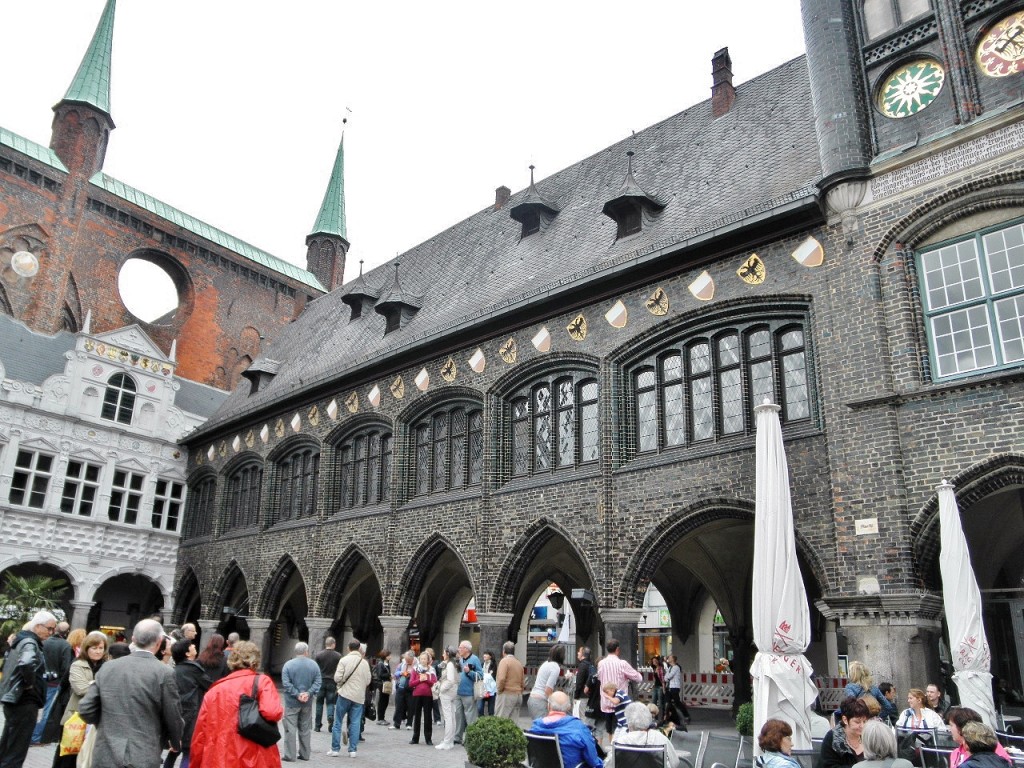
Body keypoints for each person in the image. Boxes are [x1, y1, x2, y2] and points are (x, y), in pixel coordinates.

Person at [78, 618, 184, 768]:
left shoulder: (108, 667)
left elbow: (86, 708)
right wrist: (175, 740)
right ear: (159, 642)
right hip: (142, 753)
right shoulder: (164, 672)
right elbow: (172, 713)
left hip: (106, 751)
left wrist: (106, 724)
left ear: (133, 639)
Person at [189, 641, 282, 768]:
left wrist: (195, 763)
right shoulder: (262, 681)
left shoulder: (214, 690)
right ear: (255, 661)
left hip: (219, 758)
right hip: (254, 756)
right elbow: (272, 712)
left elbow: (200, 734)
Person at [0, 610, 58, 768]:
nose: (52, 632)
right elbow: (26, 663)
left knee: (10, 745)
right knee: (16, 749)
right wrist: (30, 683)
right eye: (50, 628)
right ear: (38, 626)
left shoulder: (23, 640)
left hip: (16, 700)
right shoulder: (29, 642)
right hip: (24, 702)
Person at [53, 630, 108, 768]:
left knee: (88, 756)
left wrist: (93, 685)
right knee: (68, 755)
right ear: (86, 648)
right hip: (76, 717)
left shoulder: (107, 666)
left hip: (96, 719)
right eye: (94, 648)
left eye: (101, 648)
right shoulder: (78, 664)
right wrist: (102, 687)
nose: (98, 651)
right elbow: (81, 689)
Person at [528, 690, 604, 768]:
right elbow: (593, 760)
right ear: (568, 707)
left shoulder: (535, 727)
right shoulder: (579, 728)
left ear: (548, 706)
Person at [165, 638, 209, 768]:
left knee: (175, 749)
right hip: (192, 713)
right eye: (191, 645)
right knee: (188, 751)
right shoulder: (194, 669)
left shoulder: (175, 670)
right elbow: (209, 685)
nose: (194, 645)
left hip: (177, 713)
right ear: (187, 653)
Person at [328, 639, 371, 758]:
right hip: (358, 697)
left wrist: (342, 682)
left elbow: (337, 678)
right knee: (355, 722)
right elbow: (368, 681)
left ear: (348, 648)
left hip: (345, 694)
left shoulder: (344, 660)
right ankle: (352, 750)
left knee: (338, 722)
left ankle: (335, 749)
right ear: (359, 649)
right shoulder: (364, 663)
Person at [34, 620, 73, 745]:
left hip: (41, 680)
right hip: (55, 683)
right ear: (67, 632)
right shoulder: (65, 646)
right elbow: (66, 667)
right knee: (47, 711)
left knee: (38, 708)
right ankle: (37, 737)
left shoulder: (44, 642)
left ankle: (33, 734)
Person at [281, 641, 320, 762]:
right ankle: (305, 754)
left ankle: (290, 755)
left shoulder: (288, 665)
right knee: (305, 728)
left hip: (291, 702)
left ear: (295, 651)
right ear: (306, 652)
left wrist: (297, 694)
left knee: (290, 729)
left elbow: (286, 684)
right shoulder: (314, 665)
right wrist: (308, 693)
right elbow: (318, 682)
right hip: (307, 702)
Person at [607, 701, 678, 768]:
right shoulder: (660, 738)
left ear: (629, 723)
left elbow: (609, 765)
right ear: (649, 719)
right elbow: (675, 762)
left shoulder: (620, 742)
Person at [597, 638, 642, 741]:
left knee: (610, 731)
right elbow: (638, 678)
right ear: (617, 649)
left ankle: (611, 750)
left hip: (606, 703)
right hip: (620, 705)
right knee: (621, 731)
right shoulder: (622, 664)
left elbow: (600, 678)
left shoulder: (601, 663)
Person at [821, 696, 870, 768]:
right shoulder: (832, 737)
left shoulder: (869, 736)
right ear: (845, 720)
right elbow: (828, 765)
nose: (862, 726)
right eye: (857, 722)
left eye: (864, 721)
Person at [453, 640, 482, 745]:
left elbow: (480, 675)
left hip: (469, 692)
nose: (459, 649)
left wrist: (469, 672)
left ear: (466, 649)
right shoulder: (459, 660)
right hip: (458, 691)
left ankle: (471, 738)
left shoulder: (475, 659)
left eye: (460, 647)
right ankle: (457, 737)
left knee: (470, 716)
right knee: (458, 715)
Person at [313, 637, 341, 733]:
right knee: (330, 703)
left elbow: (316, 669)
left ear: (326, 644)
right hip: (332, 681)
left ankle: (317, 726)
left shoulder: (319, 655)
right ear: (333, 644)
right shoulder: (338, 656)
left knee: (319, 703)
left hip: (321, 680)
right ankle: (330, 718)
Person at [529, 644, 565, 719]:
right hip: (540, 701)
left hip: (532, 698)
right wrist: (553, 704)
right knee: (543, 728)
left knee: (537, 727)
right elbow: (548, 690)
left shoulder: (546, 663)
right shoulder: (555, 667)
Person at [408, 651, 436, 745]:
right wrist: (419, 679)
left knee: (428, 717)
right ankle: (415, 738)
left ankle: (428, 738)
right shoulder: (415, 669)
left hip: (428, 695)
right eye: (421, 659)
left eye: (425, 659)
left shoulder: (431, 670)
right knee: (417, 717)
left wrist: (426, 679)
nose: (423, 660)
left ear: (428, 660)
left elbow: (434, 683)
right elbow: (411, 683)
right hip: (417, 695)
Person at [435, 646, 459, 751]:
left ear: (448, 654)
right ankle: (450, 741)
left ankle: (447, 741)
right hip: (453, 692)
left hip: (447, 692)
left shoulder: (450, 664)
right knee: (452, 717)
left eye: (444, 653)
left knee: (448, 717)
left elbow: (450, 680)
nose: (443, 654)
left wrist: (442, 689)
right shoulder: (454, 663)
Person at [495, 640, 525, 721]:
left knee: (501, 721)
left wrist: (499, 690)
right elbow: (522, 682)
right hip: (518, 695)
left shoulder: (504, 661)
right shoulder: (519, 663)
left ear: (503, 651)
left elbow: (501, 679)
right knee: (513, 723)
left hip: (506, 694)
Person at [389, 650, 415, 731]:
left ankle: (409, 723)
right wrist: (401, 673)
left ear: (412, 659)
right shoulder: (402, 664)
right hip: (401, 687)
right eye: (405, 659)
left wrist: (411, 674)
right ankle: (396, 723)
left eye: (408, 660)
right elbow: (395, 674)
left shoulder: (417, 665)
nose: (406, 661)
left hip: (411, 688)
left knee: (410, 706)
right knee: (398, 706)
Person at [664, 654, 690, 725]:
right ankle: (668, 717)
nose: (668, 658)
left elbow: (669, 676)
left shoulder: (676, 667)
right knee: (667, 703)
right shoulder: (670, 668)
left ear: (673, 659)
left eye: (669, 658)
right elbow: (666, 677)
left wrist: (667, 678)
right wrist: (666, 678)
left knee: (677, 702)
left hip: (674, 687)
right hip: (669, 687)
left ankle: (686, 716)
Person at [372, 650, 392, 725]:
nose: (390, 656)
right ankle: (380, 718)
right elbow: (380, 674)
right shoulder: (381, 664)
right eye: (389, 655)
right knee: (382, 701)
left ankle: (382, 717)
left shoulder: (387, 663)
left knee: (385, 701)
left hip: (386, 683)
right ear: (385, 656)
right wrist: (389, 675)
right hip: (382, 684)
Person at [477, 650, 497, 717]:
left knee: (491, 710)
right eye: (484, 654)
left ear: (490, 656)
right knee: (480, 708)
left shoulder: (493, 665)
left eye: (486, 654)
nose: (484, 655)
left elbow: (492, 676)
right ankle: (481, 721)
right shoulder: (482, 664)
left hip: (491, 689)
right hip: (482, 688)